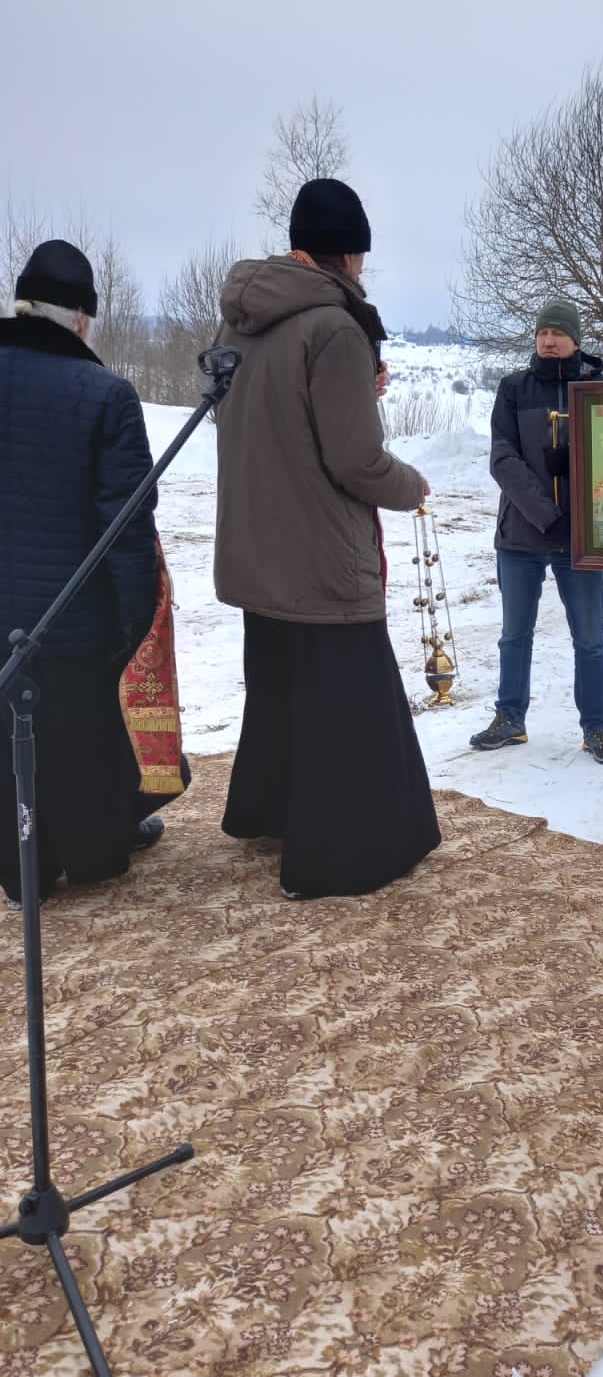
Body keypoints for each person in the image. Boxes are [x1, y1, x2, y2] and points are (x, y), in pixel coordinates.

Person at [213, 178, 440, 899]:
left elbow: (258, 419)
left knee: (280, 696)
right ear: (347, 254)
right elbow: (356, 462)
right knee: (350, 710)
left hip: (258, 549)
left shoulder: (243, 322)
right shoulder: (336, 328)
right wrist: (412, 486)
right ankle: (345, 853)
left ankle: (273, 812)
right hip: (321, 558)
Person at [0, 240, 186, 904]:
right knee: (82, 738)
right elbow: (125, 526)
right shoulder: (106, 395)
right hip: (73, 621)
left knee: (8, 741)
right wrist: (138, 617)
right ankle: (95, 854)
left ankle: (24, 865)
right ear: (79, 319)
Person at [469, 298, 603, 765]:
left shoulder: (600, 390)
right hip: (521, 536)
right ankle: (510, 717)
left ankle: (596, 727)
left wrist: (578, 472)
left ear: (576, 339)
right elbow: (503, 459)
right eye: (542, 333)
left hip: (581, 539)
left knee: (590, 638)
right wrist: (547, 514)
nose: (549, 340)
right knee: (515, 633)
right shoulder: (514, 389)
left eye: (558, 333)